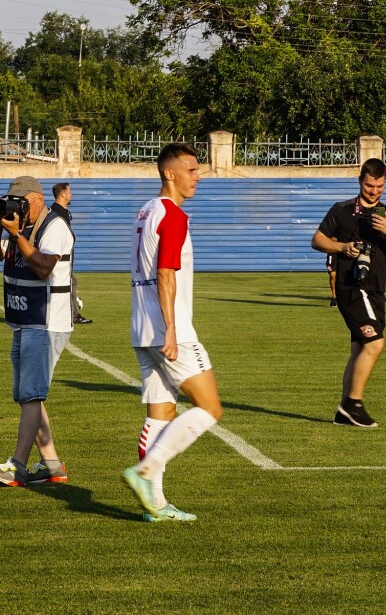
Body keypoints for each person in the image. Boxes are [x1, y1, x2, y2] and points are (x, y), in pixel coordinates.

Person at [123, 142, 223, 522]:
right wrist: (171, 328)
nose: (198, 176)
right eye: (192, 169)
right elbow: (165, 273)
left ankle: (156, 505)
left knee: (160, 414)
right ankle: (146, 471)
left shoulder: (146, 210)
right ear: (170, 173)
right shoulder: (174, 216)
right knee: (210, 407)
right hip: (170, 330)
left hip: (141, 327)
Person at [0, 176, 74, 487]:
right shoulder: (16, 225)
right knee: (28, 396)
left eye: (20, 200)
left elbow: (44, 266)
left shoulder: (54, 226)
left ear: (36, 198)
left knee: (31, 394)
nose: (16, 205)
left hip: (47, 322)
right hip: (24, 318)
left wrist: (17, 234)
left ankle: (18, 465)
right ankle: (51, 465)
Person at [311, 158, 386, 428]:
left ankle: (344, 412)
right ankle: (353, 404)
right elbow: (317, 240)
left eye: (379, 186)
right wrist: (343, 248)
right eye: (369, 186)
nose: (374, 191)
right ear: (359, 181)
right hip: (351, 287)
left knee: (359, 349)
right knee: (374, 343)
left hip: (376, 289)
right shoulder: (342, 210)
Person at [49, 183, 90, 324]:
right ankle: (73, 315)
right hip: (60, 260)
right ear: (63, 194)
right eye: (69, 192)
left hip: (62, 259)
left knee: (70, 282)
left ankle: (65, 314)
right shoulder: (57, 212)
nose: (71, 194)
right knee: (69, 283)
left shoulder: (59, 211)